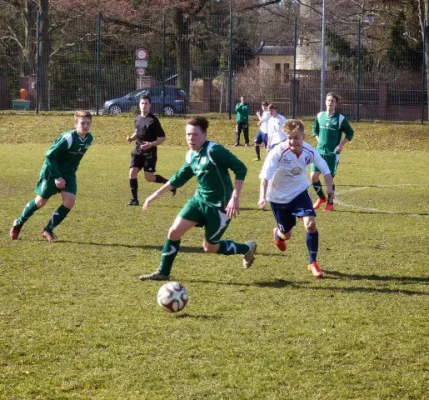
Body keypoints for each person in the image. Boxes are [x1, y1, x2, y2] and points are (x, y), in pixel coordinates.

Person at [139, 116, 257, 281]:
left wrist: (235, 198)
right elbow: (179, 178)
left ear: (204, 135)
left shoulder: (214, 151)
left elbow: (241, 169)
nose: (190, 138)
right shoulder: (190, 155)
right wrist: (154, 195)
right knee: (174, 232)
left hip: (219, 206)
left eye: (195, 134)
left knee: (210, 247)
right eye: (188, 134)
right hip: (199, 200)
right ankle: (163, 272)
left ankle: (246, 248)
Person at [258, 119, 334, 278]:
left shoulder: (309, 151)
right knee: (287, 235)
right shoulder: (278, 151)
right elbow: (265, 176)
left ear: (303, 136)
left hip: (299, 193)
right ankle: (278, 234)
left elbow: (325, 169)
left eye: (296, 137)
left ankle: (312, 262)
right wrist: (262, 197)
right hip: (279, 198)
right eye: (289, 137)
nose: (292, 141)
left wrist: (329, 189)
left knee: (311, 224)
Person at [9, 110, 94, 242]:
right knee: (40, 201)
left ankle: (48, 230)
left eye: (88, 123)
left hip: (69, 174)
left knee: (69, 202)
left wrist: (68, 172)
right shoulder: (68, 138)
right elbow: (49, 155)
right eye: (82, 123)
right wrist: (57, 177)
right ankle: (19, 222)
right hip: (52, 171)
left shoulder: (89, 139)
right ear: (75, 124)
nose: (85, 126)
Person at [126, 95, 175, 206]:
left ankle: (168, 183)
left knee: (149, 177)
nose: (144, 105)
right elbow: (137, 131)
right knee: (132, 173)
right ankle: (134, 200)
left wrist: (151, 144)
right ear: (139, 105)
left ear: (150, 105)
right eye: (142, 103)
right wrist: (131, 138)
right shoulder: (138, 118)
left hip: (150, 153)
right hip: (138, 151)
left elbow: (162, 138)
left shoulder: (153, 120)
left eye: (146, 103)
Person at [311, 92, 354, 211]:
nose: (330, 103)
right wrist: (319, 140)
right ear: (325, 102)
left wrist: (341, 144)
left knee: (328, 178)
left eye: (332, 101)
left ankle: (330, 203)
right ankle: (321, 198)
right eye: (328, 100)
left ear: (336, 104)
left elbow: (350, 133)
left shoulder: (340, 118)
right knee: (313, 177)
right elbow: (315, 129)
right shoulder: (320, 116)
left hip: (332, 154)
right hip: (319, 151)